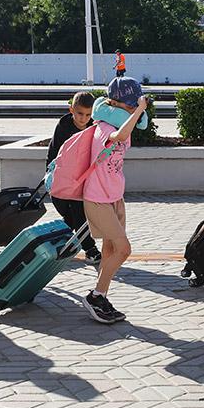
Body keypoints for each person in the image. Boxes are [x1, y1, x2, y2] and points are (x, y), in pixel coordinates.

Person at [82, 94, 148, 323]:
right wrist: (139, 110)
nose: (132, 109)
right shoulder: (103, 127)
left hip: (114, 198)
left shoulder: (120, 123)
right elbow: (119, 136)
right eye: (129, 105)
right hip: (97, 199)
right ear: (115, 104)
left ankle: (101, 297)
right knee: (124, 249)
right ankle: (95, 296)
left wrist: (136, 111)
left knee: (110, 249)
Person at [46, 91, 102, 264]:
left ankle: (89, 249)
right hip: (61, 179)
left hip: (81, 180)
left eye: (88, 115)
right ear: (71, 110)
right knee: (70, 216)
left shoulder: (94, 127)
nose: (83, 118)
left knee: (78, 215)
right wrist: (50, 175)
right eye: (80, 113)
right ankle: (59, 241)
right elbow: (55, 153)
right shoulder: (64, 126)